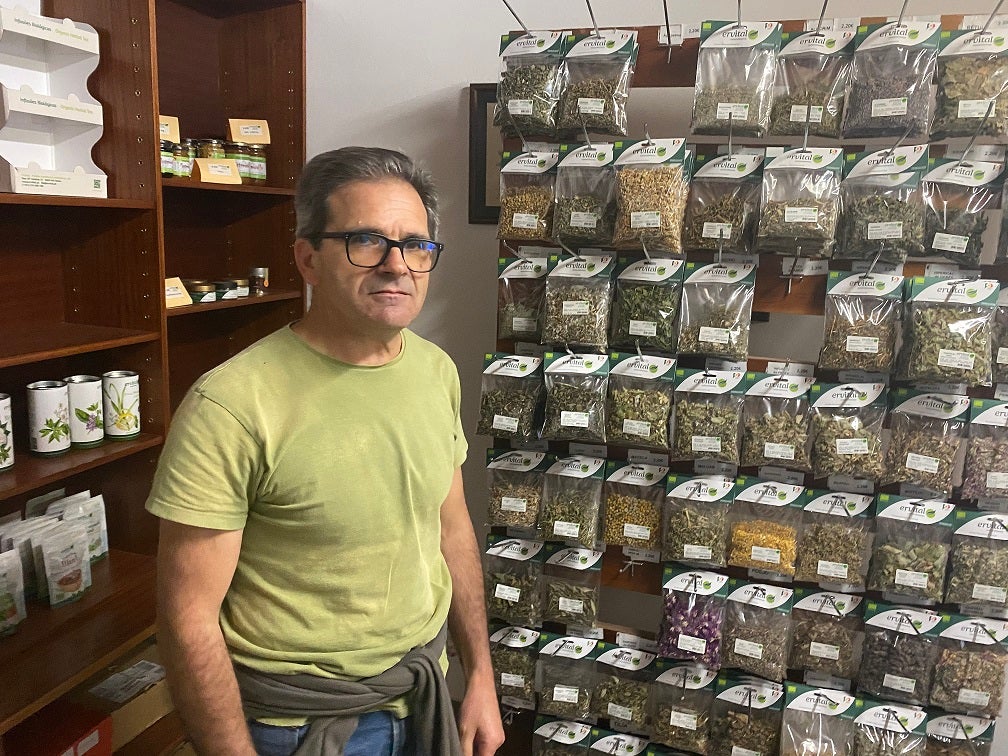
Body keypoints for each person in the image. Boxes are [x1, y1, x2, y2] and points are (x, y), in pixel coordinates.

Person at [146, 146, 505, 756]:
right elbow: (186, 619)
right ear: (308, 259)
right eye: (366, 241)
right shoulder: (231, 404)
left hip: (421, 695)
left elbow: (450, 528)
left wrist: (480, 678)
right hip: (296, 725)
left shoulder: (435, 372)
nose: (396, 265)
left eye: (415, 245)